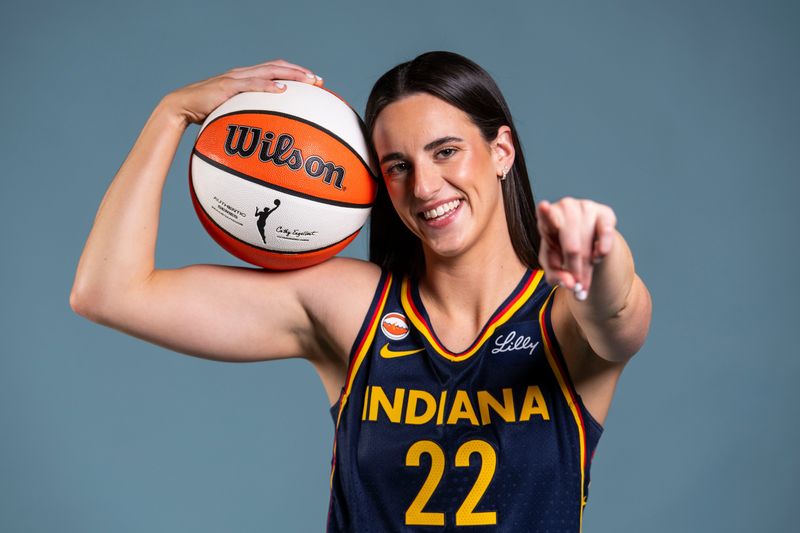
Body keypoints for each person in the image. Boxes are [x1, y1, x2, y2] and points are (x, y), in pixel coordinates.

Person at [71, 52, 652, 532]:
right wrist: (171, 113)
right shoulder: (353, 308)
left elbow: (618, 309)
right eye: (397, 165)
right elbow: (109, 291)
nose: (424, 186)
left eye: (445, 150)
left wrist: (596, 254)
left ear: (501, 150)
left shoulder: (562, 319)